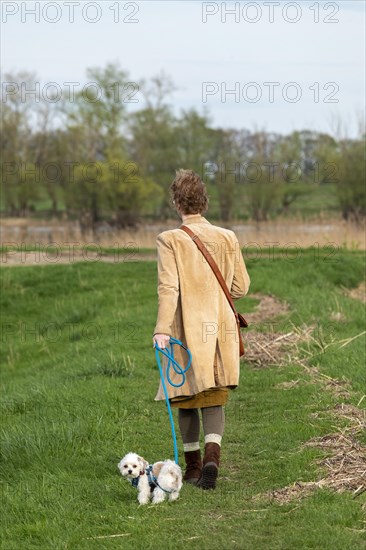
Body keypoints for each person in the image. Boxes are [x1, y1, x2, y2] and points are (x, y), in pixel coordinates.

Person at [152, 169, 250, 490]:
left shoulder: (170, 240)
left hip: (185, 329)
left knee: (186, 395)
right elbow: (241, 286)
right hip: (220, 328)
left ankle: (193, 468)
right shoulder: (227, 237)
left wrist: (162, 328)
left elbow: (169, 289)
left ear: (176, 202)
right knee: (214, 395)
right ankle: (213, 456)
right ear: (204, 202)